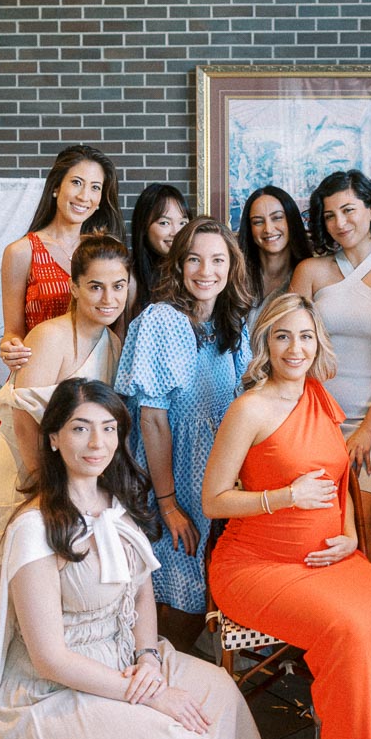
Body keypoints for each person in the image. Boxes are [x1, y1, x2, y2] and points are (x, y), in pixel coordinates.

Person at [0, 378, 266, 739]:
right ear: (53, 438)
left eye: (109, 429)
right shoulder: (35, 528)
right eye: (80, 429)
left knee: (219, 692)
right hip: (56, 688)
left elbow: (139, 595)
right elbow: (50, 658)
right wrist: (146, 696)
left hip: (125, 657)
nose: (97, 444)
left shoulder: (116, 505)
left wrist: (150, 661)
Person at [203, 292, 371, 739]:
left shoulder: (322, 399)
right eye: (282, 337)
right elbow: (213, 498)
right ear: (265, 346)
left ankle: (340, 735)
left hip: (328, 559)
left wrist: (349, 534)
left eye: (305, 337)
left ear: (319, 343)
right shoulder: (249, 408)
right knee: (348, 630)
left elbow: (341, 477)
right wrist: (283, 498)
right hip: (255, 567)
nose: (295, 349)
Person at [115, 216, 251, 652]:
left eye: (216, 260)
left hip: (218, 477)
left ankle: (174, 678)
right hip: (172, 475)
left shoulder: (232, 323)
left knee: (207, 587)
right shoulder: (163, 319)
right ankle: (149, 676)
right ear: (178, 265)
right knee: (179, 596)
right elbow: (152, 419)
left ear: (231, 266)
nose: (205, 271)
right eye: (193, 260)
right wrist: (169, 505)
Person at [0, 234, 130, 562]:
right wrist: (48, 495)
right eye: (96, 286)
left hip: (66, 485)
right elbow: (25, 423)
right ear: (74, 287)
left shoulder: (114, 346)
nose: (108, 299)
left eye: (118, 286)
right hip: (19, 477)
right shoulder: (48, 336)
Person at [291, 170, 371, 552]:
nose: (340, 223)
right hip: (312, 419)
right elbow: (291, 351)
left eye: (348, 210)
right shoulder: (310, 272)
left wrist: (368, 428)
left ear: (370, 210)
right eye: (330, 215)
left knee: (358, 535)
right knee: (313, 530)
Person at [0, 145, 125, 371]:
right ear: (56, 187)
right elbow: (13, 332)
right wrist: (10, 347)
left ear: (100, 199)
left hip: (97, 376)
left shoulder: (107, 251)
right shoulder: (22, 251)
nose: (84, 196)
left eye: (95, 187)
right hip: (41, 375)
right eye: (76, 182)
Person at [237, 185, 312, 329]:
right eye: (258, 222)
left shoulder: (309, 275)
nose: (268, 229)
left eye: (277, 218)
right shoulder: (236, 275)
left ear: (291, 221)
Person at [129, 183, 190, 317]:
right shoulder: (130, 277)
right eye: (164, 223)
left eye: (183, 223)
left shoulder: (195, 272)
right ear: (144, 227)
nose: (176, 232)